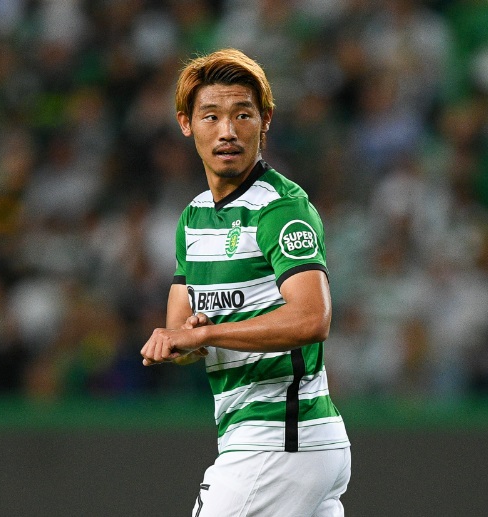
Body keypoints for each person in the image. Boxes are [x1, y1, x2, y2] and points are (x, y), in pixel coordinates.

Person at [141, 48, 351, 517]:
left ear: (265, 120)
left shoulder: (281, 209)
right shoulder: (193, 218)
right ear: (186, 124)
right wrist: (179, 342)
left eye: (243, 114)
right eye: (211, 116)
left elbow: (312, 319)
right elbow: (182, 335)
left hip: (279, 439)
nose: (228, 131)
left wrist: (209, 333)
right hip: (275, 441)